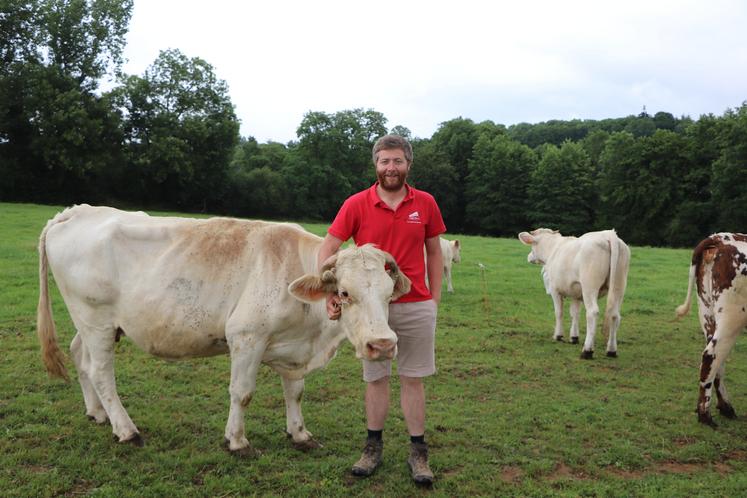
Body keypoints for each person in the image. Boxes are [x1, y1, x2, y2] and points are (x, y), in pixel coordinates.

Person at [316, 134, 446, 485]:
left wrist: (433, 298)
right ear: (375, 165)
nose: (391, 167)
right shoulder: (357, 203)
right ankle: (372, 447)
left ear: (408, 164)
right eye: (385, 161)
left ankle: (418, 453)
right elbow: (329, 246)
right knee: (375, 380)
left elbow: (434, 251)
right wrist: (330, 290)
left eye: (398, 161)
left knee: (413, 379)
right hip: (370, 310)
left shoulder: (427, 203)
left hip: (415, 303)